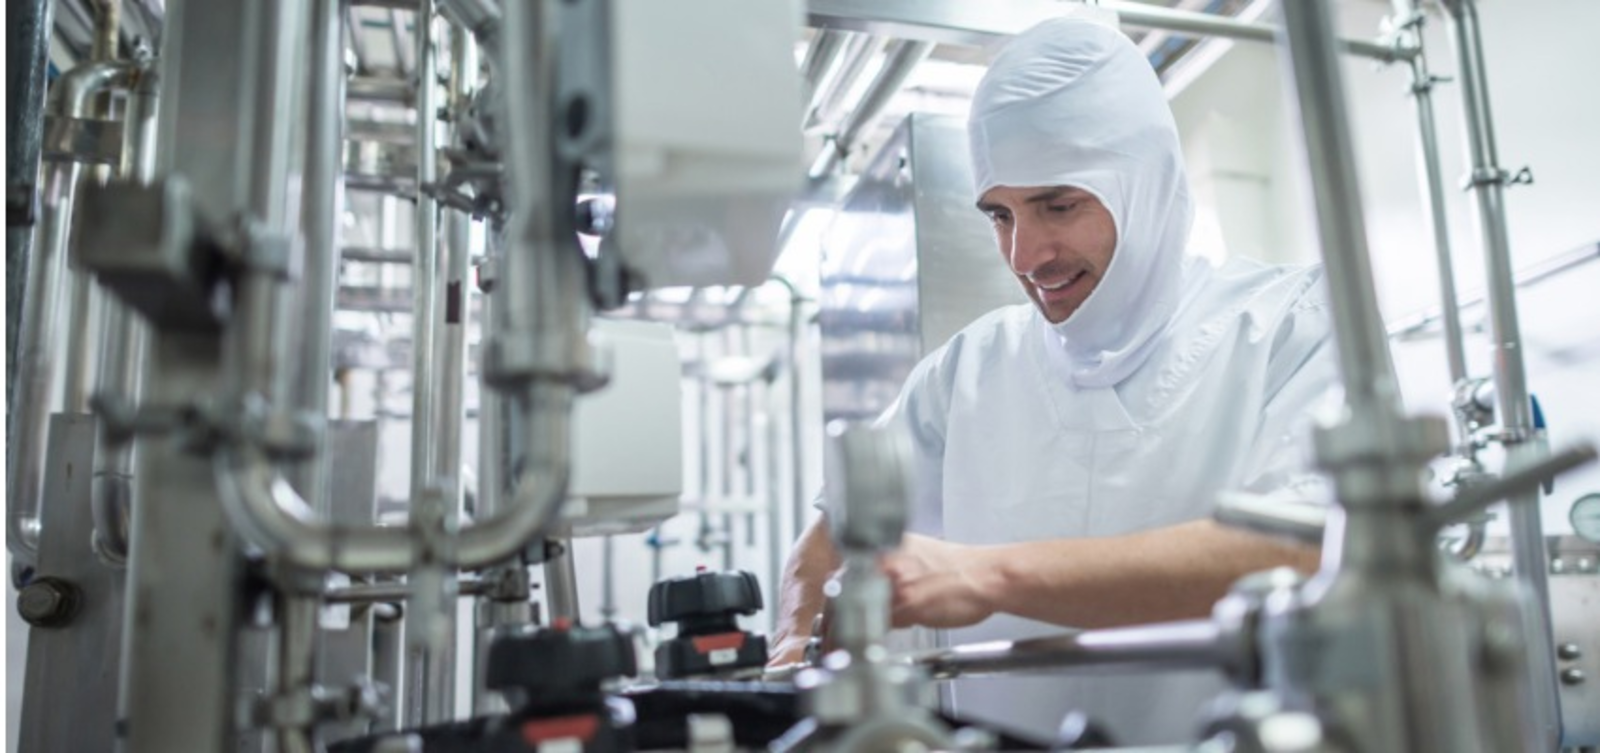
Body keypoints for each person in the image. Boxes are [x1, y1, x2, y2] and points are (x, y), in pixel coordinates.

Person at [770, 16, 1340, 745]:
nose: (1025, 253)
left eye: (1058, 204)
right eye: (999, 214)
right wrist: (794, 650)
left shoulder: (1285, 326)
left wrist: (987, 577)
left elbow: (1308, 549)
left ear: (1144, 180)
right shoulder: (965, 372)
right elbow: (828, 537)